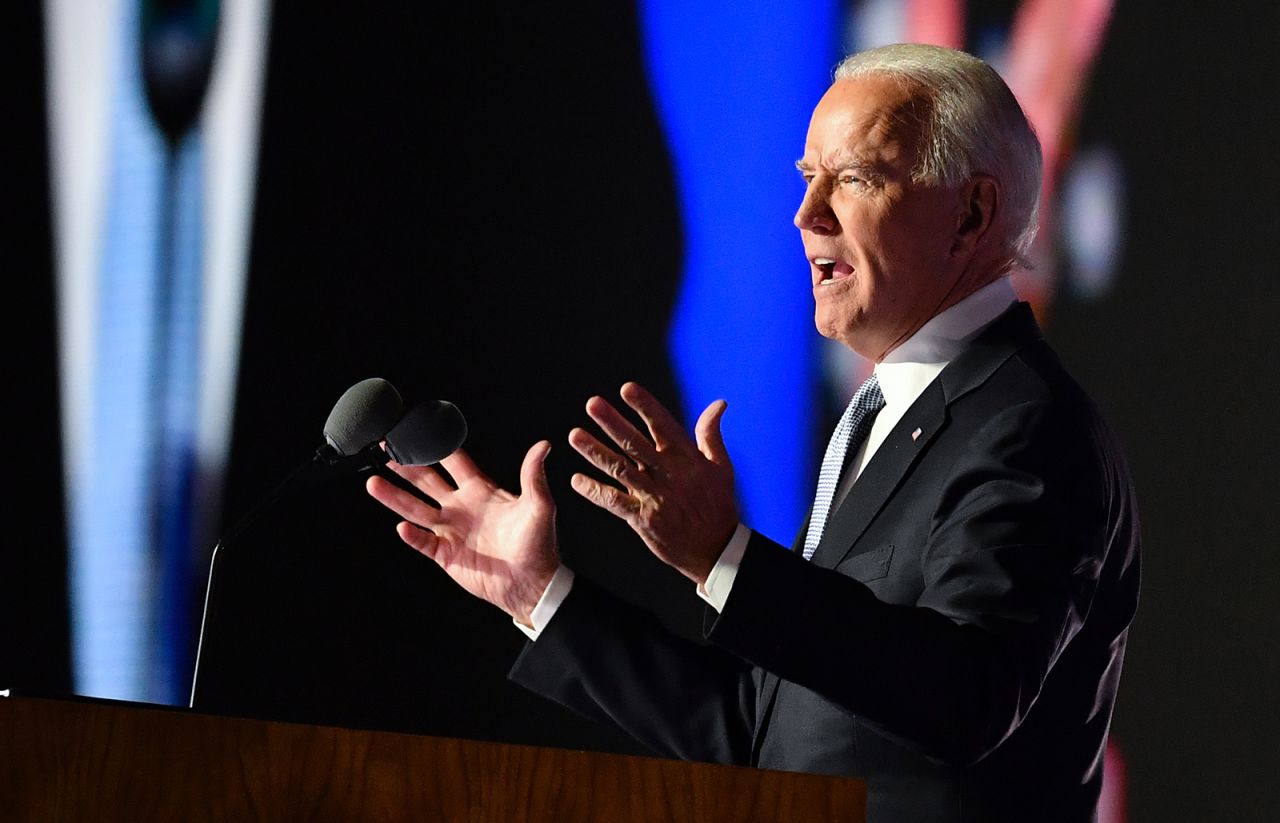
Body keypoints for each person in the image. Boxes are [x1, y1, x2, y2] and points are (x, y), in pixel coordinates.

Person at [366, 43, 1140, 823]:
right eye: (809, 179)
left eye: (856, 178)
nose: (807, 215)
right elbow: (759, 734)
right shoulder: (887, 413)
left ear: (970, 213)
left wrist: (724, 556)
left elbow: (967, 696)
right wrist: (540, 592)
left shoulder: (1027, 427)